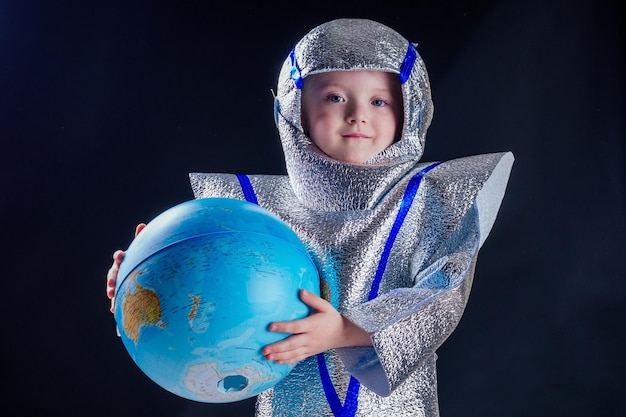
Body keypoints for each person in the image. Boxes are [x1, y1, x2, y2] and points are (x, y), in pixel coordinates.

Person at [106, 18, 514, 417]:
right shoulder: (252, 211)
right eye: (335, 97)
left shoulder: (432, 199)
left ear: (412, 110)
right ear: (295, 106)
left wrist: (344, 332)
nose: (357, 114)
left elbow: (443, 293)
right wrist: (143, 271)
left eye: (379, 101)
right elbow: (192, 280)